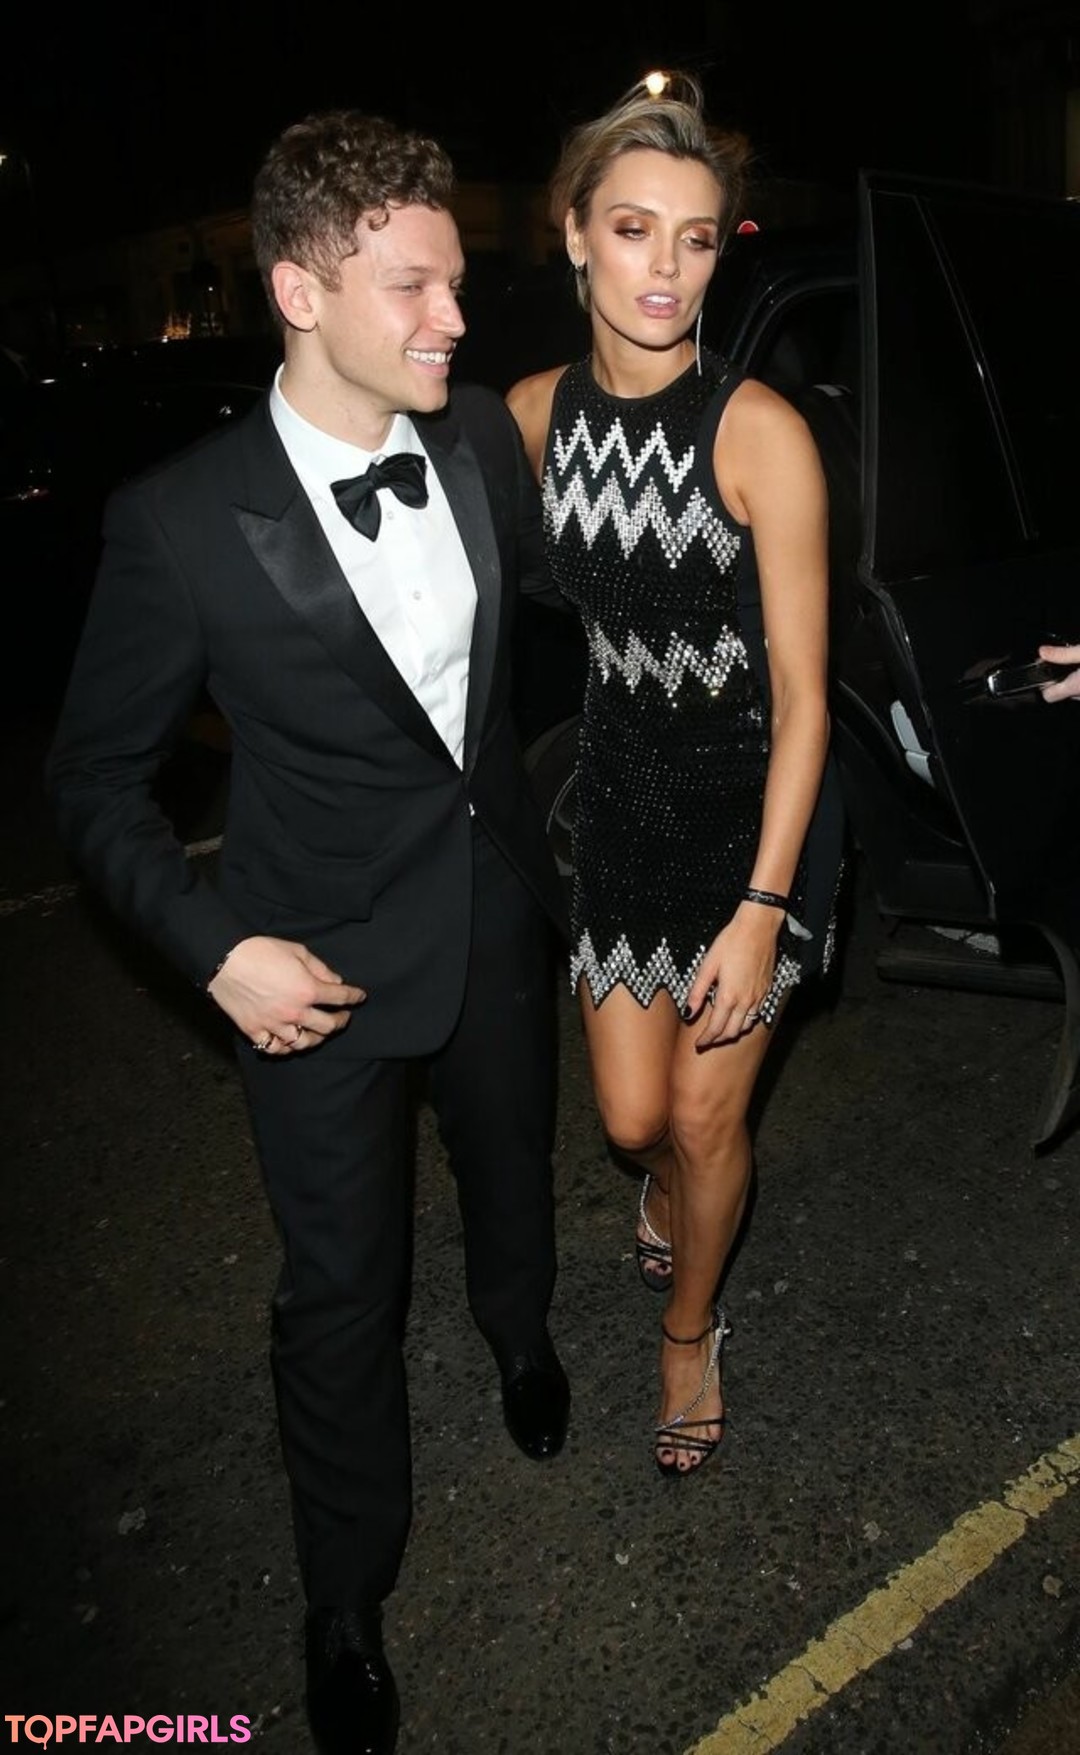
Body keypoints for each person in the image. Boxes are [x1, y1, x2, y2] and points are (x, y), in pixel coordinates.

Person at [47, 109, 571, 1755]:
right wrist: (216, 949)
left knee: (512, 1162)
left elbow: (553, 628)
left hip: (494, 912)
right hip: (312, 965)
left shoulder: (476, 438)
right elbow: (92, 781)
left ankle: (523, 1339)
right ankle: (344, 1597)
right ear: (299, 290)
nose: (455, 318)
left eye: (457, 282)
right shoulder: (180, 520)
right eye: (414, 286)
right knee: (339, 1291)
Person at [506, 72, 844, 1480]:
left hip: (760, 814)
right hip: (623, 802)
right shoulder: (531, 419)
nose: (666, 267)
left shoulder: (758, 432)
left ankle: (691, 1329)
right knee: (635, 1121)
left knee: (709, 1118)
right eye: (634, 229)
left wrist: (764, 906)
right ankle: (667, 1192)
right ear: (576, 235)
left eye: (696, 238)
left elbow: (807, 697)